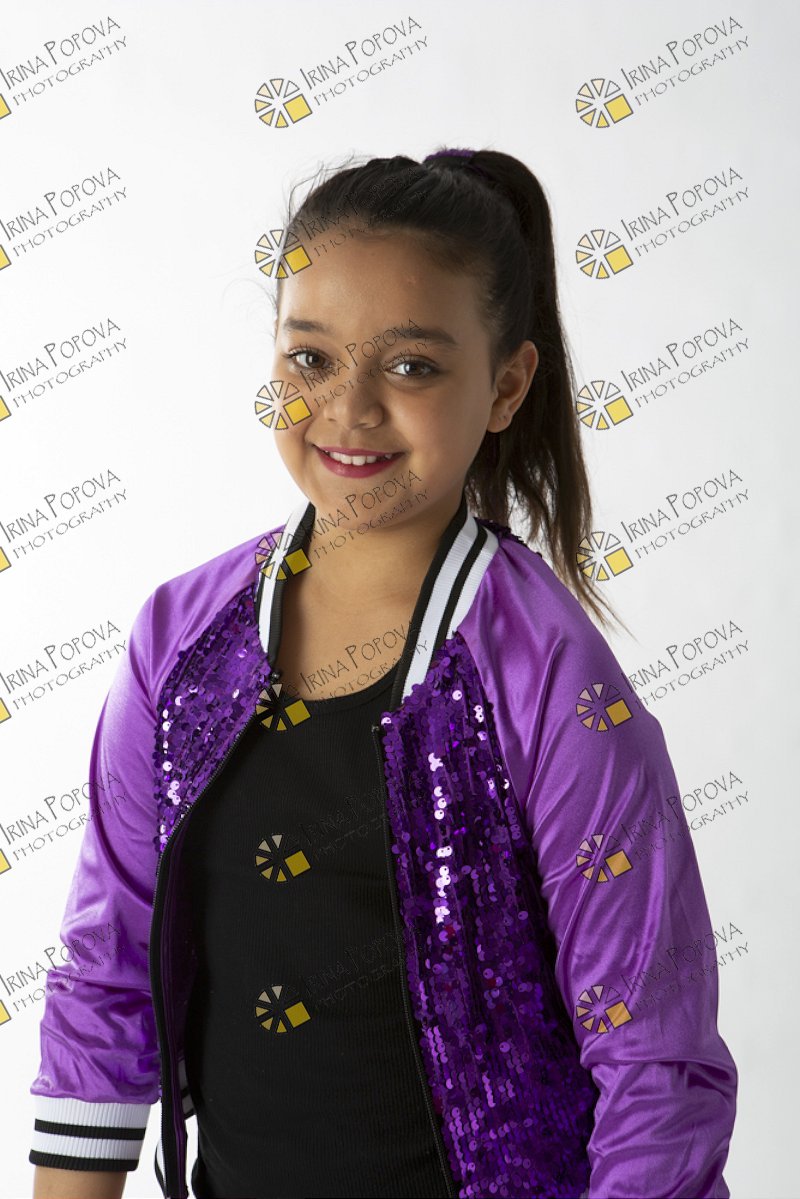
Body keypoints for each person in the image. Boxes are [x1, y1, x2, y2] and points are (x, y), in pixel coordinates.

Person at [29, 147, 738, 1199]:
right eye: (310, 358)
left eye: (410, 367)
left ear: (505, 385)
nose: (349, 408)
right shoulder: (178, 638)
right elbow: (107, 972)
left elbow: (654, 1062)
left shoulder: (549, 675)